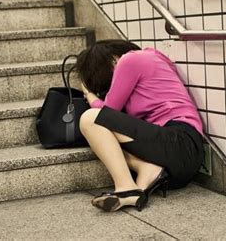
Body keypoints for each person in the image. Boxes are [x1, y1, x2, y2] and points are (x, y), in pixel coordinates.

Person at [76, 39, 204, 212]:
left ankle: (125, 186)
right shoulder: (151, 61)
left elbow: (107, 111)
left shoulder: (131, 60)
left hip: (180, 141)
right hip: (176, 164)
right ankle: (145, 174)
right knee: (106, 136)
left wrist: (88, 94)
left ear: (113, 59)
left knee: (90, 119)